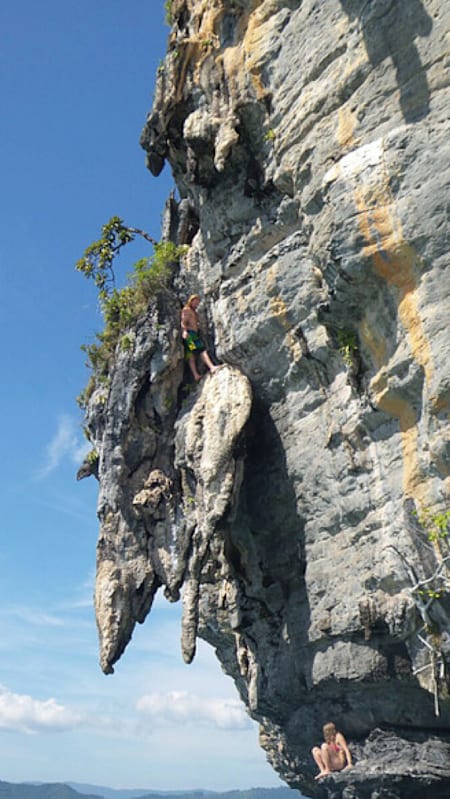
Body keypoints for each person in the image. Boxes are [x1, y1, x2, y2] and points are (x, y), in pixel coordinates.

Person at [180, 294, 220, 381]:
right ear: (191, 301)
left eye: (198, 303)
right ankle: (212, 367)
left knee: (192, 355)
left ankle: (196, 375)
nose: (196, 304)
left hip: (193, 334)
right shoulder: (187, 310)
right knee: (202, 350)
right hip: (190, 335)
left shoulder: (194, 312)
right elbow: (183, 322)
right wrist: (184, 331)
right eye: (195, 302)